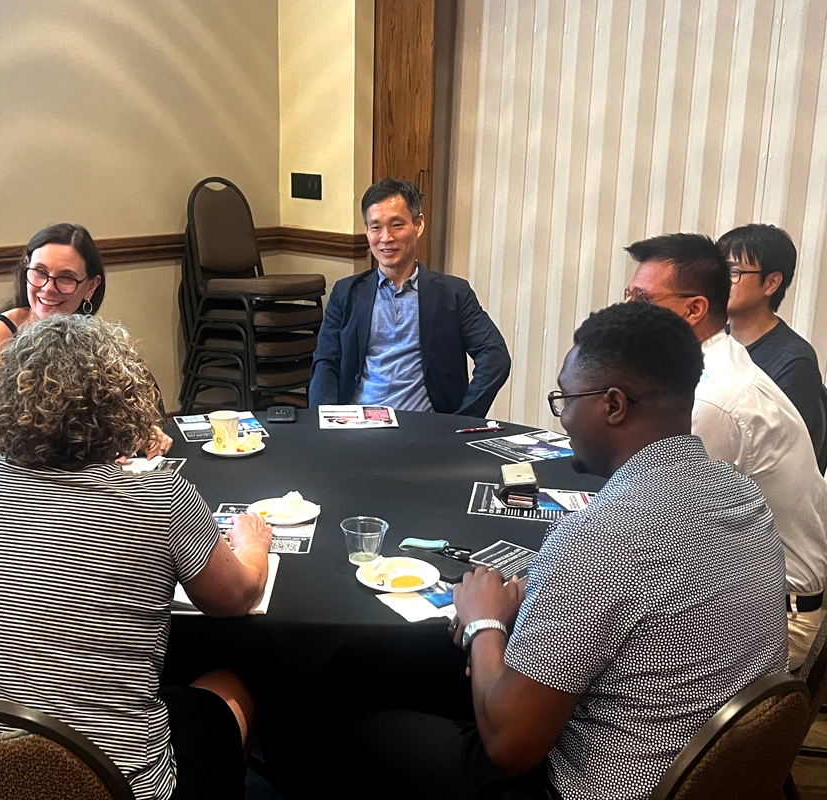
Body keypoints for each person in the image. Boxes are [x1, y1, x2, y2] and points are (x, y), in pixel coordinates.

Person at [353, 301, 788, 800]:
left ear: (613, 405)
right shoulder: (742, 494)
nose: (562, 419)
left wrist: (483, 621)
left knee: (349, 726)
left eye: (565, 399)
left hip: (594, 785)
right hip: (715, 771)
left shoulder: (603, 537)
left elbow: (509, 746)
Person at [0, 314, 273, 800]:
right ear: (121, 403)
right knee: (230, 688)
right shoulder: (159, 495)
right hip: (108, 786)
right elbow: (235, 599)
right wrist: (253, 544)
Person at [625, 232, 827, 669]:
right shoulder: (715, 360)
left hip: (778, 614)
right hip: (745, 587)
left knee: (581, 647)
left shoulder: (711, 401)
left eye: (642, 300)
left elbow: (663, 536)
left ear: (694, 309)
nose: (627, 312)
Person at [0, 222, 172, 543]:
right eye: (39, 273)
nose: (48, 288)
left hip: (64, 496)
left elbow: (92, 426)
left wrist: (135, 433)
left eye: (65, 278)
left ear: (90, 287)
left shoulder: (87, 338)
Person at [309, 178, 510, 415]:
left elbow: (495, 356)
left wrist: (464, 419)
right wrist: (323, 422)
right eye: (375, 227)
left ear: (419, 224)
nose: (386, 238)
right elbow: (326, 361)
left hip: (424, 426)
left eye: (397, 225)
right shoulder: (346, 293)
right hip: (358, 424)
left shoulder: (453, 294)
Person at [718, 223, 825, 458]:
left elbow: (779, 453)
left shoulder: (794, 361)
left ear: (771, 283)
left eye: (733, 272)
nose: (718, 281)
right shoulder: (712, 341)